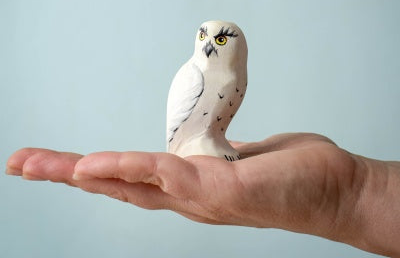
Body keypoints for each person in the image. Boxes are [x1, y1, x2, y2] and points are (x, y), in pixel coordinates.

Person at [6, 132, 400, 257]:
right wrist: (356, 191)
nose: (212, 46)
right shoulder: (196, 73)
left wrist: (354, 193)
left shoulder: (238, 72)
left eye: (225, 39)